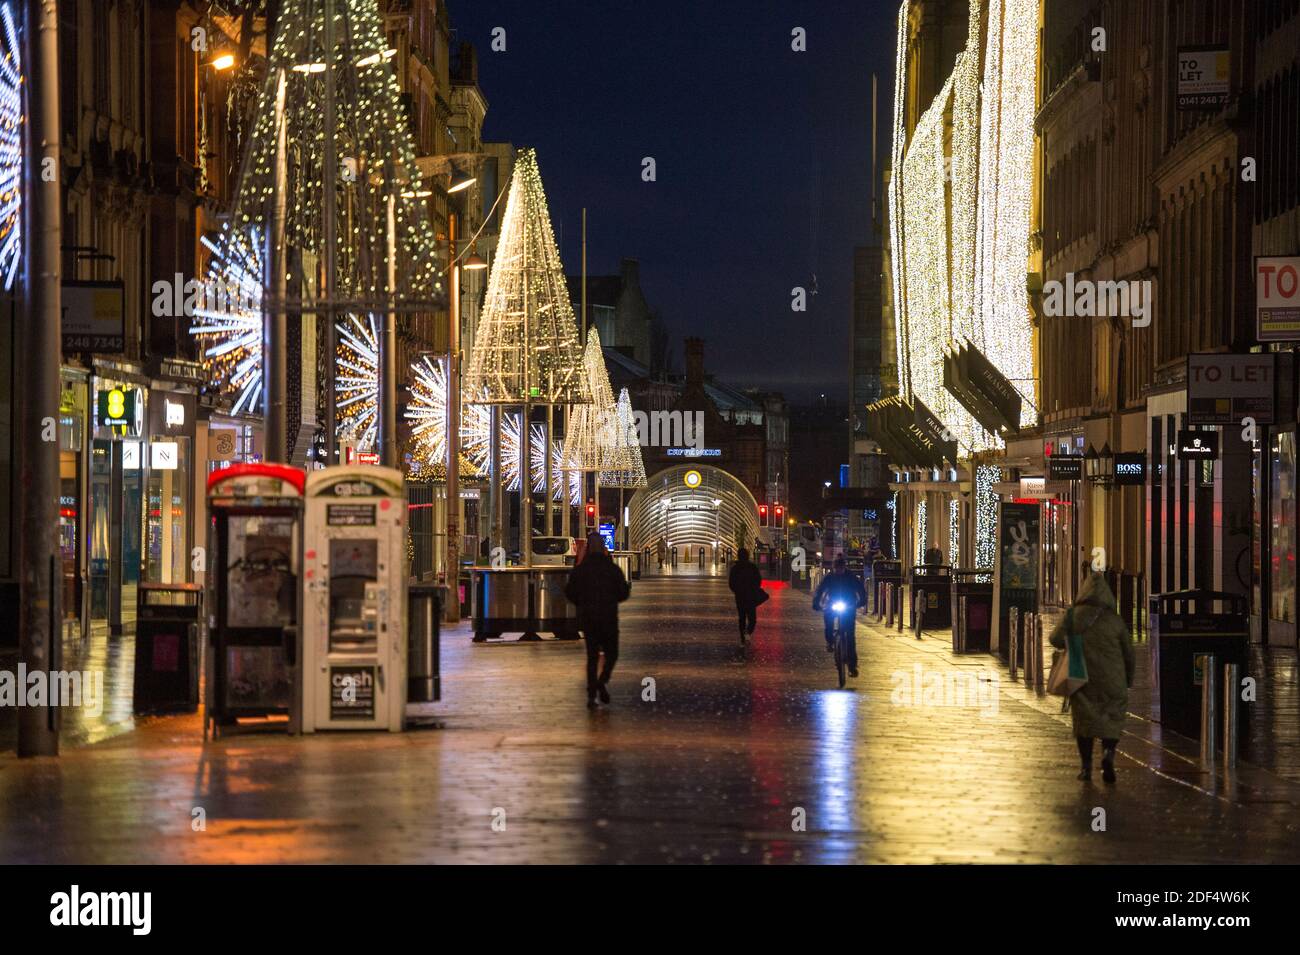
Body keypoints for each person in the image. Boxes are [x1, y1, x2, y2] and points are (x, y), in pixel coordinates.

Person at [1049, 571, 1135, 783]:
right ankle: (1108, 755)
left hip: (1082, 677)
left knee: (1084, 723)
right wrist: (1128, 680)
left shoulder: (1073, 616)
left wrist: (1072, 640)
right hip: (1112, 680)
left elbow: (1055, 639)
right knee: (1111, 720)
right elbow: (1129, 653)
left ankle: (1086, 768)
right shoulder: (1115, 620)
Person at [565, 532, 631, 708]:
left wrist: (582, 603)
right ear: (603, 548)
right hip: (608, 617)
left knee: (592, 656)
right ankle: (602, 681)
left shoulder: (581, 570)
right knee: (612, 654)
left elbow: (570, 592)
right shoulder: (612, 569)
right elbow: (623, 592)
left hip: (588, 618)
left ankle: (591, 694)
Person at [812, 556, 867, 676]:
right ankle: (830, 641)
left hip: (848, 605)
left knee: (850, 635)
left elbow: (860, 589)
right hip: (833, 604)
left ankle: (852, 666)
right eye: (837, 568)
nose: (838, 570)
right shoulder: (830, 577)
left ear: (844, 567)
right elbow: (821, 590)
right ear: (834, 567)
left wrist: (861, 601)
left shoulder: (850, 577)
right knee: (828, 621)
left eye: (840, 568)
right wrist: (816, 603)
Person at [727, 548, 764, 643]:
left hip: (740, 597)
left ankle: (743, 639)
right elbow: (758, 580)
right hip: (751, 596)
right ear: (747, 555)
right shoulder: (752, 567)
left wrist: (737, 591)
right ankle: (747, 633)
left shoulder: (735, 568)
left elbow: (731, 583)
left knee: (742, 618)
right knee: (752, 619)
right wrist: (754, 589)